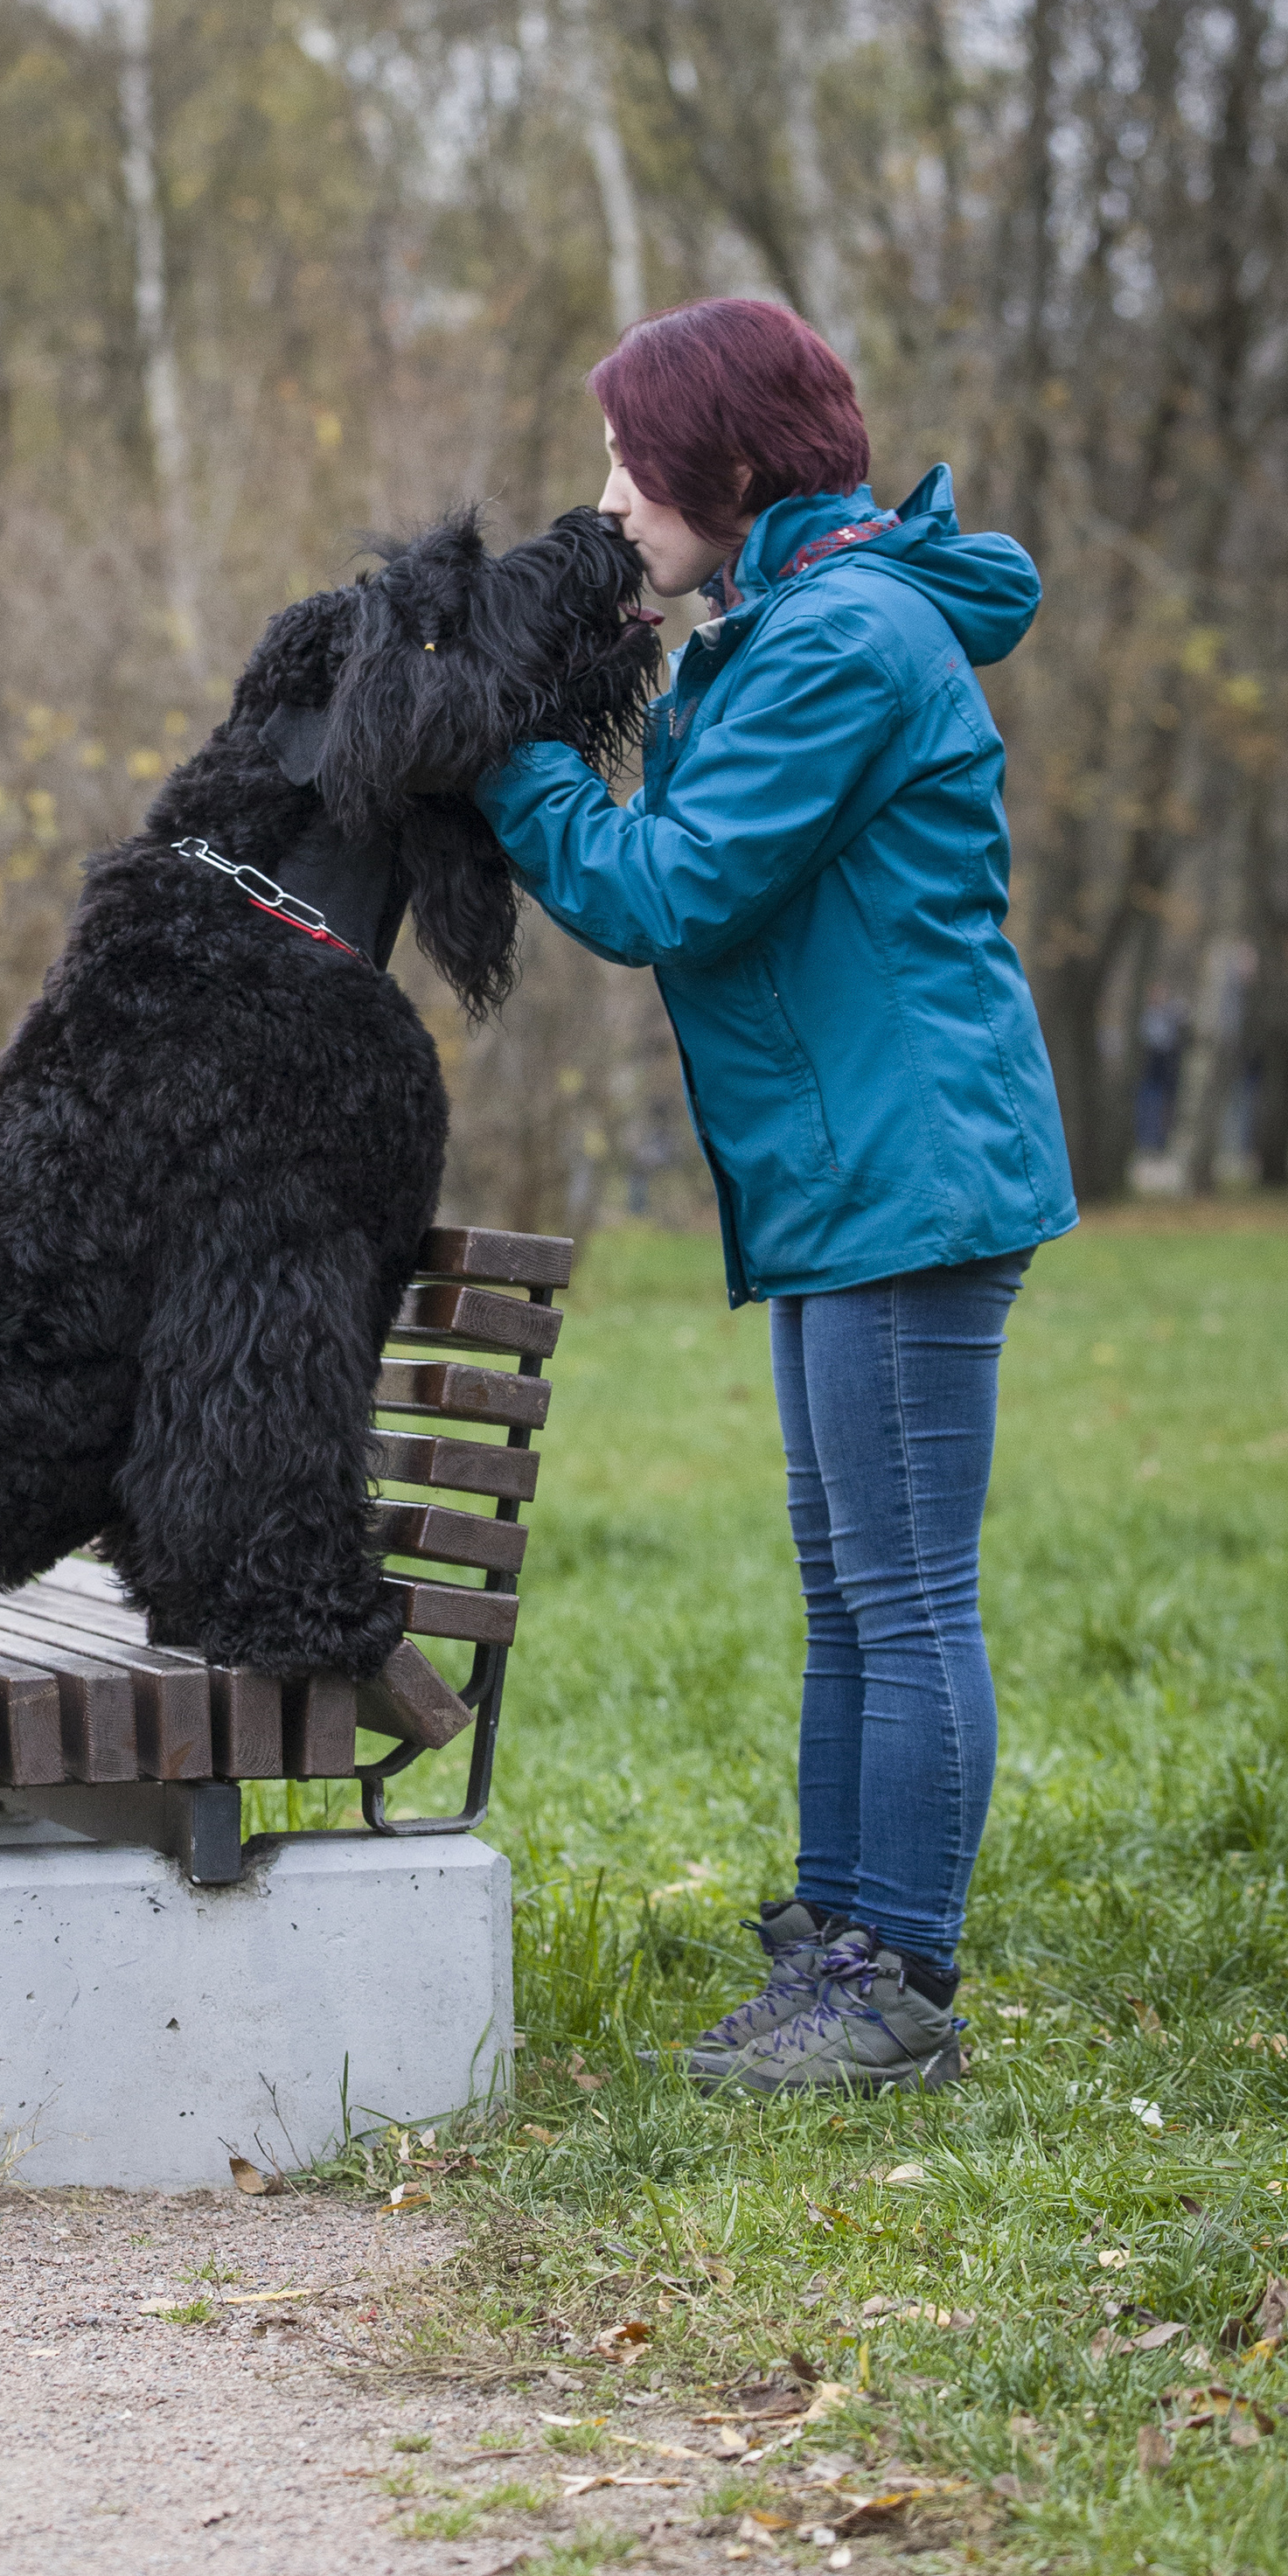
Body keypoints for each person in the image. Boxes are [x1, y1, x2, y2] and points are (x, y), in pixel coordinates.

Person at [473, 296, 1076, 2096]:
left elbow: (664, 888)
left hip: (902, 1168)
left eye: (625, 465)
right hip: (850, 1170)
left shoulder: (837, 641)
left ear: (723, 468)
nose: (605, 500)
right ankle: (840, 1927)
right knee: (849, 1583)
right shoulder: (802, 619)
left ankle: (887, 1973)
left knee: (897, 1592)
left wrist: (503, 747)